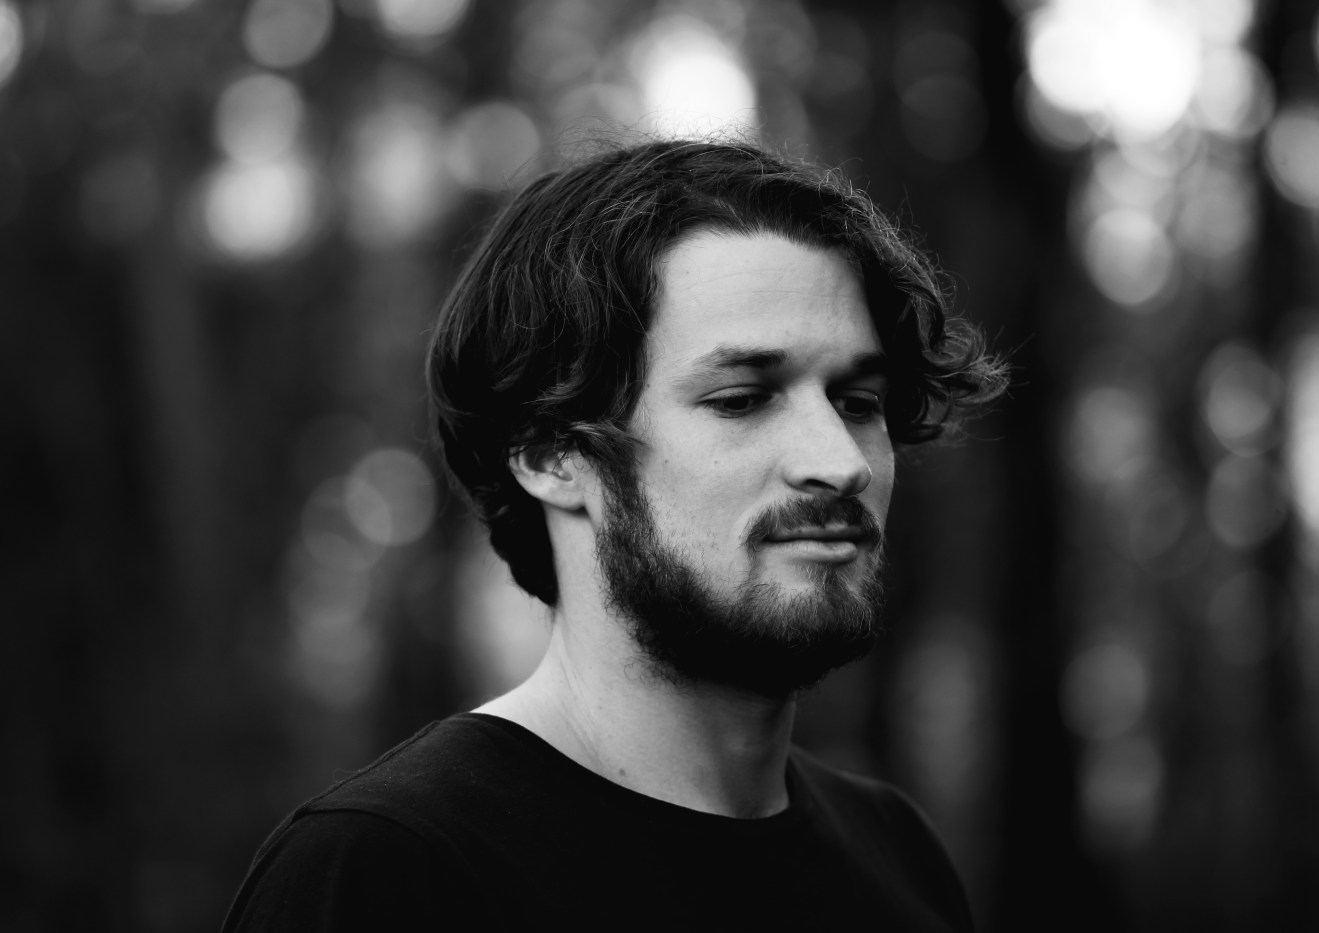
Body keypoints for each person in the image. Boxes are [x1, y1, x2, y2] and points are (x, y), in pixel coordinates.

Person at [222, 138, 1007, 931]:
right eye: (741, 399)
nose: (842, 463)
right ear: (549, 452)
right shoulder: (390, 871)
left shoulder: (897, 855)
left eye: (859, 403)